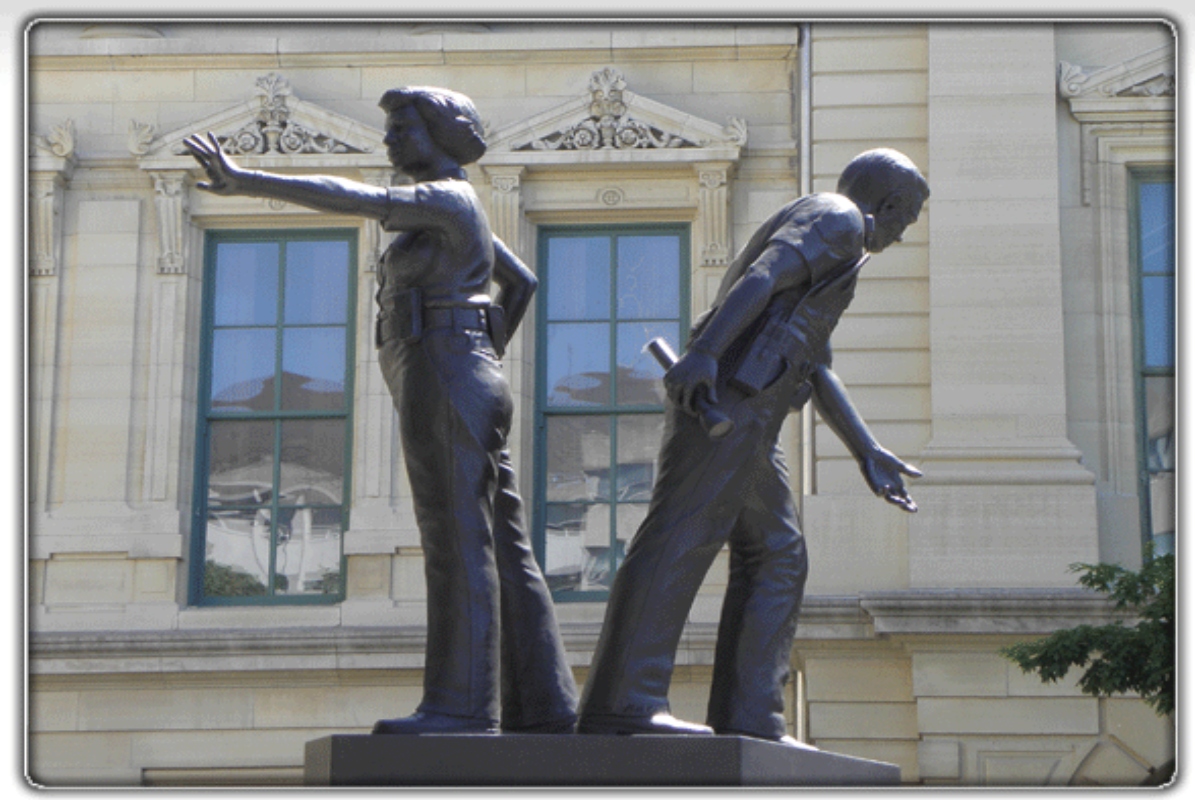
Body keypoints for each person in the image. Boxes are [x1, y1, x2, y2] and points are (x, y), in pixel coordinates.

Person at [185, 86, 578, 735]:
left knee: (456, 542)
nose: (391, 139)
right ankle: (546, 706)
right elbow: (522, 283)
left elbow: (360, 199)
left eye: (405, 128)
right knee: (500, 544)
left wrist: (245, 178)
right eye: (391, 127)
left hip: (445, 370)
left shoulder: (446, 197)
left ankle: (461, 707)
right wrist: (482, 351)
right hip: (453, 369)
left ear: (443, 136)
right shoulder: (461, 207)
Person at [576, 148, 929, 746]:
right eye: (907, 219)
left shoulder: (839, 244)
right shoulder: (838, 220)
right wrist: (707, 353)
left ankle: (750, 716)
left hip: (755, 412)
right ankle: (623, 705)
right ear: (889, 205)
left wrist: (866, 450)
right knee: (680, 534)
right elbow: (764, 276)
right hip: (729, 401)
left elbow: (815, 362)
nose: (904, 232)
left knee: (779, 552)